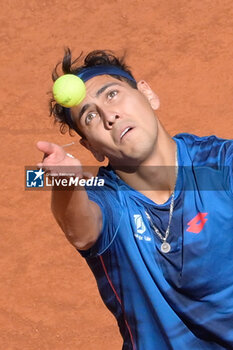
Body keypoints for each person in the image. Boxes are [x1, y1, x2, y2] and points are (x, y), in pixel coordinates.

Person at [37, 48, 233, 350]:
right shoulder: (110, 202)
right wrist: (67, 182)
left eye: (112, 94)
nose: (109, 115)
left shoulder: (219, 164)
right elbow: (81, 229)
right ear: (92, 148)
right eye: (90, 116)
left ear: (148, 94)